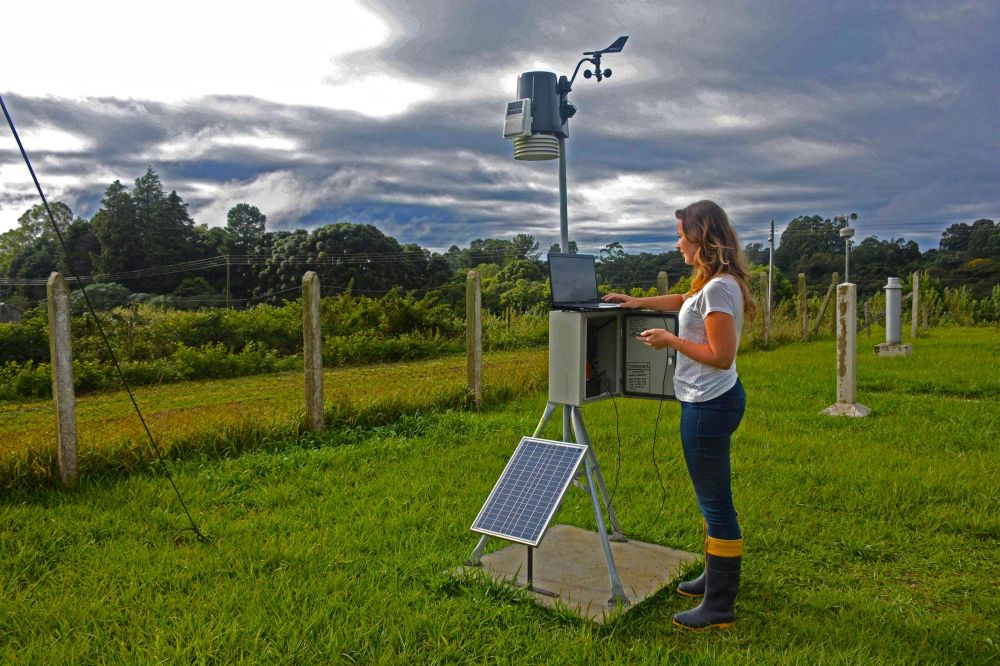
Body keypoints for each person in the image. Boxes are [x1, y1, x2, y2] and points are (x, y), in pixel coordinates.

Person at [602, 199, 755, 630]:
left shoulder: (719, 289)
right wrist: (636, 302)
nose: (677, 243)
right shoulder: (711, 285)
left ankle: (719, 606)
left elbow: (720, 356)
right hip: (710, 401)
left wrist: (670, 342)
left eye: (680, 235)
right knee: (713, 498)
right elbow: (682, 300)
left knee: (715, 502)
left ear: (700, 237)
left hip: (709, 405)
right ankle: (713, 576)